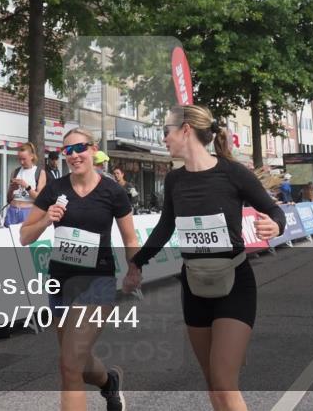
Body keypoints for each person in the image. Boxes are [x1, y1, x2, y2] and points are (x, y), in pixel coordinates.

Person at [123, 105, 286, 411]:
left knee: (224, 381)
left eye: (166, 132)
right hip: (194, 286)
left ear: (186, 130)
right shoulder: (174, 179)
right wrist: (137, 264)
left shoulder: (233, 173)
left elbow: (274, 209)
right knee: (212, 381)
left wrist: (276, 225)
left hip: (234, 283)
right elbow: (165, 227)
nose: (163, 138)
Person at [20, 127, 139, 411]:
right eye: (68, 150)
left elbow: (130, 239)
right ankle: (109, 381)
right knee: (77, 362)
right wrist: (46, 220)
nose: (74, 155)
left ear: (93, 149)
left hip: (97, 282)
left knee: (70, 364)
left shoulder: (112, 191)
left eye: (80, 148)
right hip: (60, 283)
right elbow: (25, 236)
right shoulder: (54, 189)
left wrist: (134, 269)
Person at [4, 142, 46, 227]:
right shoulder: (15, 172)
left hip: (28, 211)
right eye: (19, 159)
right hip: (13, 211)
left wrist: (27, 187)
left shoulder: (39, 172)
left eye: (24, 159)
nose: (21, 162)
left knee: (26, 235)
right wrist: (12, 189)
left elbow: (40, 199)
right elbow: (8, 199)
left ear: (32, 156)